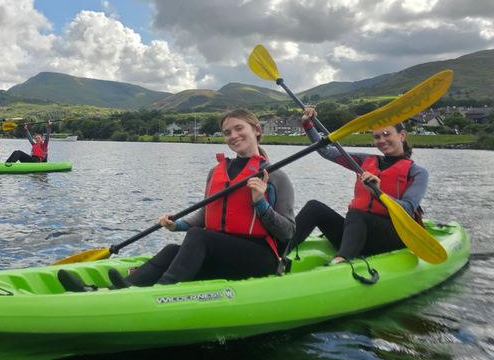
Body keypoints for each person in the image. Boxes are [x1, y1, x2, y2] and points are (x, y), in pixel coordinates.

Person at [58, 109, 295, 292]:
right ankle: (109, 292)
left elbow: (288, 232)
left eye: (238, 128)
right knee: (173, 250)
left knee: (198, 238)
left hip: (259, 259)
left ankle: (161, 291)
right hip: (221, 253)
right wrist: (177, 225)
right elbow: (207, 214)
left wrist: (259, 202)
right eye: (227, 132)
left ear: (256, 130)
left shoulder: (275, 176)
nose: (233, 136)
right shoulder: (216, 171)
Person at [292, 108, 429, 264]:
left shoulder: (417, 172)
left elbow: (408, 208)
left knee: (356, 214)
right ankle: (278, 251)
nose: (381, 141)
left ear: (402, 135)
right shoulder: (365, 161)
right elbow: (324, 150)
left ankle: (340, 261)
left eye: (386, 134)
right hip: (358, 234)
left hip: (393, 237)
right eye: (376, 137)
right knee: (314, 208)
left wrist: (378, 194)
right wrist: (307, 124)